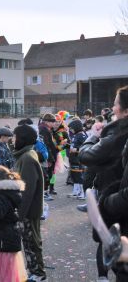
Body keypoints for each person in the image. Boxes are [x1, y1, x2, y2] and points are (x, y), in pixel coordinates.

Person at [81, 86, 128, 281]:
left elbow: (86, 155)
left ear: (126, 111)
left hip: (118, 207)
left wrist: (93, 136)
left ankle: (103, 275)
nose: (112, 107)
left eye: (116, 103)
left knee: (113, 249)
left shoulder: (115, 135)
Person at [12, 124, 46, 282]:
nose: (13, 140)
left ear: (22, 139)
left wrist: (19, 214)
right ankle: (34, 271)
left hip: (29, 211)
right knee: (28, 242)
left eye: (15, 137)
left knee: (32, 243)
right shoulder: (23, 155)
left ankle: (39, 274)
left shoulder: (27, 158)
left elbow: (26, 191)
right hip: (26, 210)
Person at [67, 119, 88, 200]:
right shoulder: (75, 135)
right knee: (74, 175)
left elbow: (86, 146)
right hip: (73, 158)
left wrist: (77, 149)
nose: (71, 130)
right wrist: (67, 145)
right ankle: (76, 191)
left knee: (80, 176)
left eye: (71, 128)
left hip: (78, 159)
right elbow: (73, 145)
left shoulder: (82, 135)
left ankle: (83, 192)